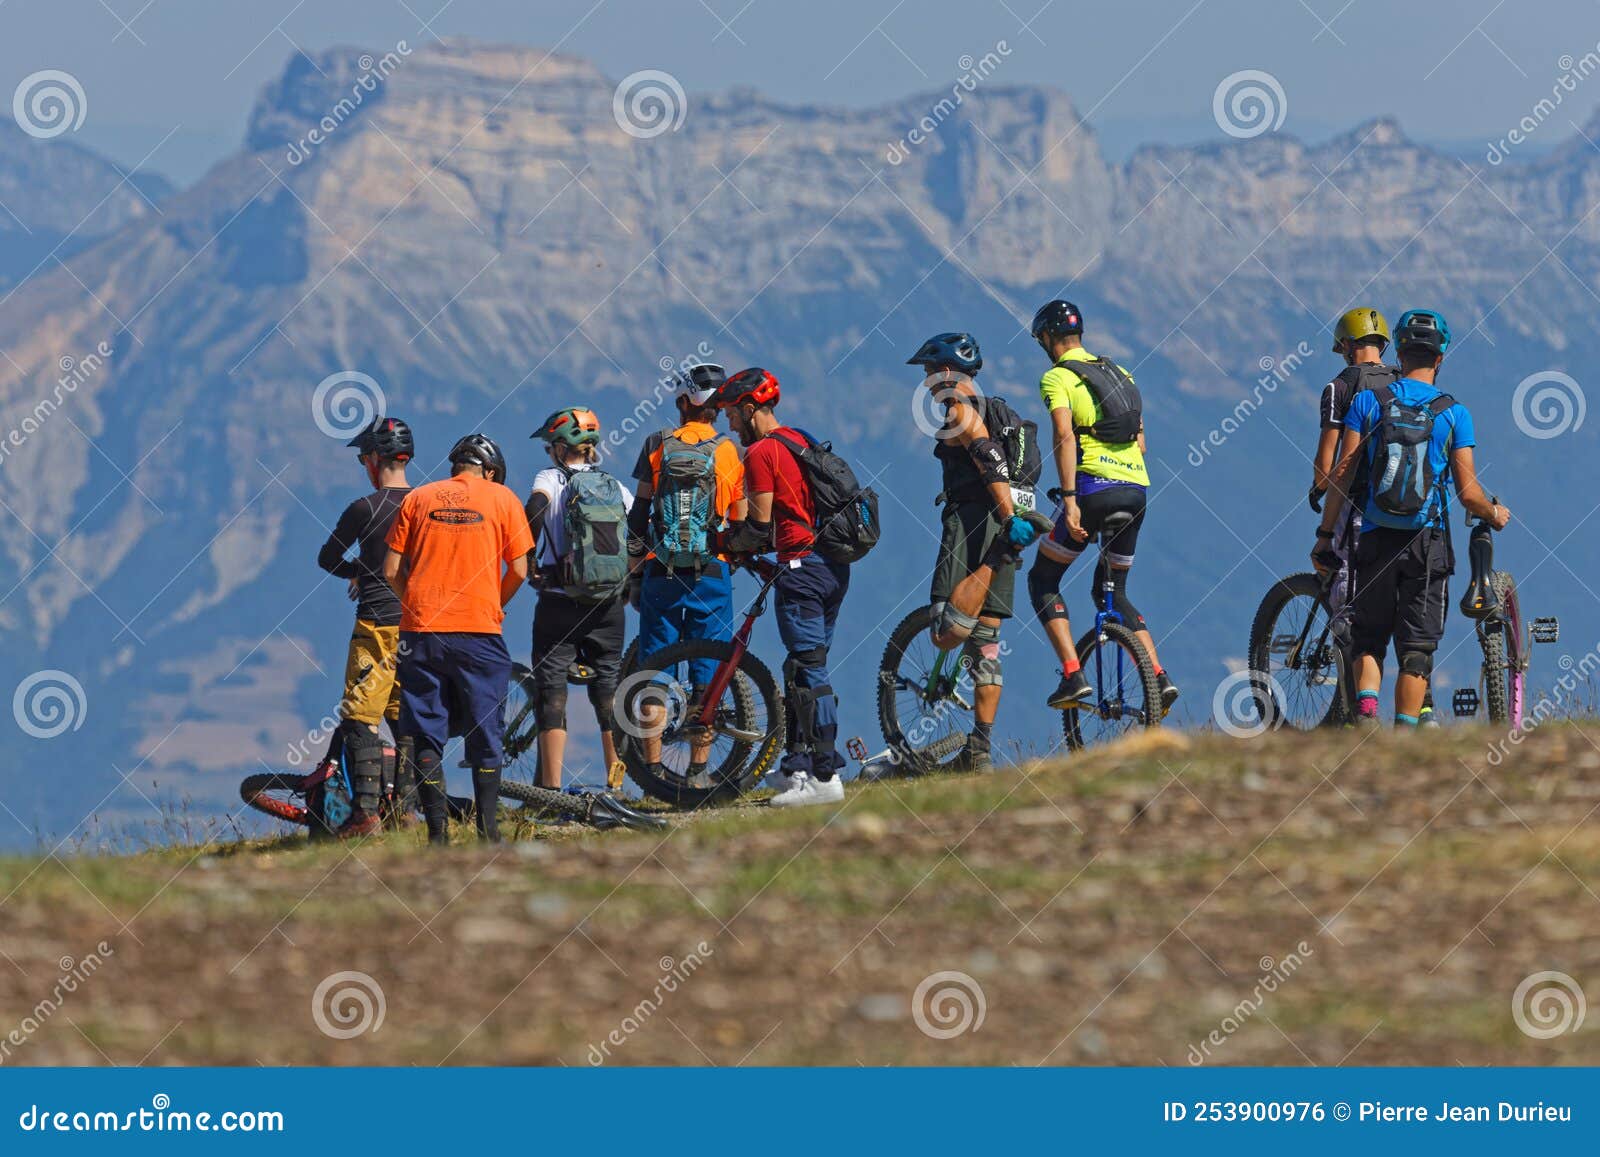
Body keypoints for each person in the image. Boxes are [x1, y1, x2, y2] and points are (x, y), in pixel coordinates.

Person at [1313, 309, 1510, 726]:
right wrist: (1494, 513)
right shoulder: (1453, 413)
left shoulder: (1369, 401)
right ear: (1439, 359)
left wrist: (1326, 533)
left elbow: (1343, 475)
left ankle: (1366, 714)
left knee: (1368, 636)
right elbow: (1468, 493)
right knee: (1416, 648)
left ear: (1398, 355)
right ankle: (1404, 733)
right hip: (1427, 543)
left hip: (1374, 535)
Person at [905, 332, 1051, 772]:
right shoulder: (998, 408)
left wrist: (1007, 523)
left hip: (975, 522)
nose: (927, 384)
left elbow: (989, 459)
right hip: (1009, 515)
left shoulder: (961, 411)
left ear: (948, 372)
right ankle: (979, 749)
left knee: (945, 632)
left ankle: (996, 555)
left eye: (930, 373)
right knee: (986, 644)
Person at [1025, 299, 1178, 712]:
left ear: (1047, 339)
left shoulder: (1057, 378)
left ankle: (1073, 674)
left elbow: (1063, 435)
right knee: (1114, 591)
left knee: (1042, 580)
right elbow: (1141, 443)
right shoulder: (1120, 373)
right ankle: (1158, 677)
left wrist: (1070, 500)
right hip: (1135, 491)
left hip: (1092, 490)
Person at [383, 433, 534, 844]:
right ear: (489, 471)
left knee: (424, 729)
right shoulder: (503, 499)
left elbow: (391, 568)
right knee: (487, 728)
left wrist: (413, 603)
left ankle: (438, 837)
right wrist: (495, 605)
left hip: (420, 631)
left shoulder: (417, 499)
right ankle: (488, 833)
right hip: (479, 630)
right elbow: (519, 569)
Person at [717, 367, 852, 806]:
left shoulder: (760, 454)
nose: (730, 424)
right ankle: (797, 766)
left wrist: (724, 542)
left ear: (751, 409)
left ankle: (826, 778)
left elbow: (758, 526)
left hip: (801, 570)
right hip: (832, 567)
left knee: (809, 669)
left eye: (733, 414)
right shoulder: (801, 438)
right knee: (800, 667)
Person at [1313, 308, 1437, 725]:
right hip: (1415, 518)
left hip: (1360, 511)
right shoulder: (1400, 383)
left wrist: (1321, 501)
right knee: (1413, 617)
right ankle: (1422, 704)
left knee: (1352, 604)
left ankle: (1358, 708)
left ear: (1346, 347)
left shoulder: (1341, 386)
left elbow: (1331, 460)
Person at [625, 363, 747, 782]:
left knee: (656, 673)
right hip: (712, 574)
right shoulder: (729, 451)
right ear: (717, 408)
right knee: (706, 678)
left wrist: (634, 572)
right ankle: (699, 773)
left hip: (662, 573)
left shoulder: (656, 444)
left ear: (682, 402)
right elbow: (739, 520)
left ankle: (655, 773)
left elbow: (639, 517)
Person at [312, 416, 414, 837]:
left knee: (359, 719)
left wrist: (360, 571)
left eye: (363, 459)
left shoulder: (364, 509)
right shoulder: (425, 503)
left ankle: (365, 815)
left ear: (374, 458)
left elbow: (327, 559)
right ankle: (406, 814)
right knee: (408, 721)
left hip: (375, 626)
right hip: (417, 628)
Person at [527, 407, 632, 791]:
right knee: (608, 692)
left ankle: (552, 791)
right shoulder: (613, 486)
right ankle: (615, 787)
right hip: (608, 605)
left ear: (559, 447)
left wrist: (528, 561)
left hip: (559, 600)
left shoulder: (549, 478)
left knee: (551, 692)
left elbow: (534, 511)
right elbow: (636, 533)